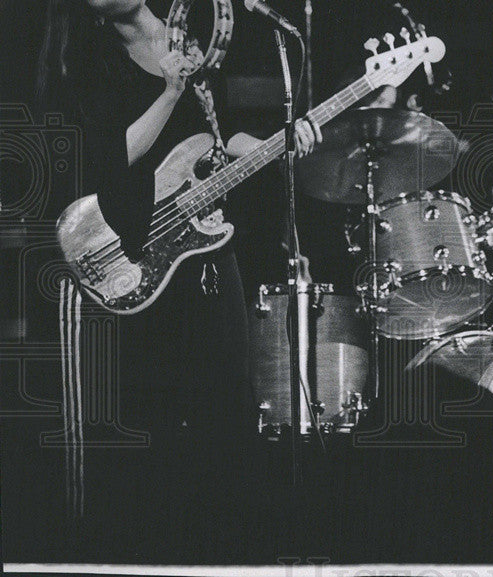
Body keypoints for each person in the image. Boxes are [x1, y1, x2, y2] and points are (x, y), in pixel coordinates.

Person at [36, 0, 321, 562]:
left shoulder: (189, 40)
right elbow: (107, 158)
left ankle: (232, 553)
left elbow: (216, 140)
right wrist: (168, 91)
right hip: (137, 252)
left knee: (230, 410)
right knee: (162, 418)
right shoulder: (90, 59)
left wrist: (283, 142)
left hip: (208, 248)